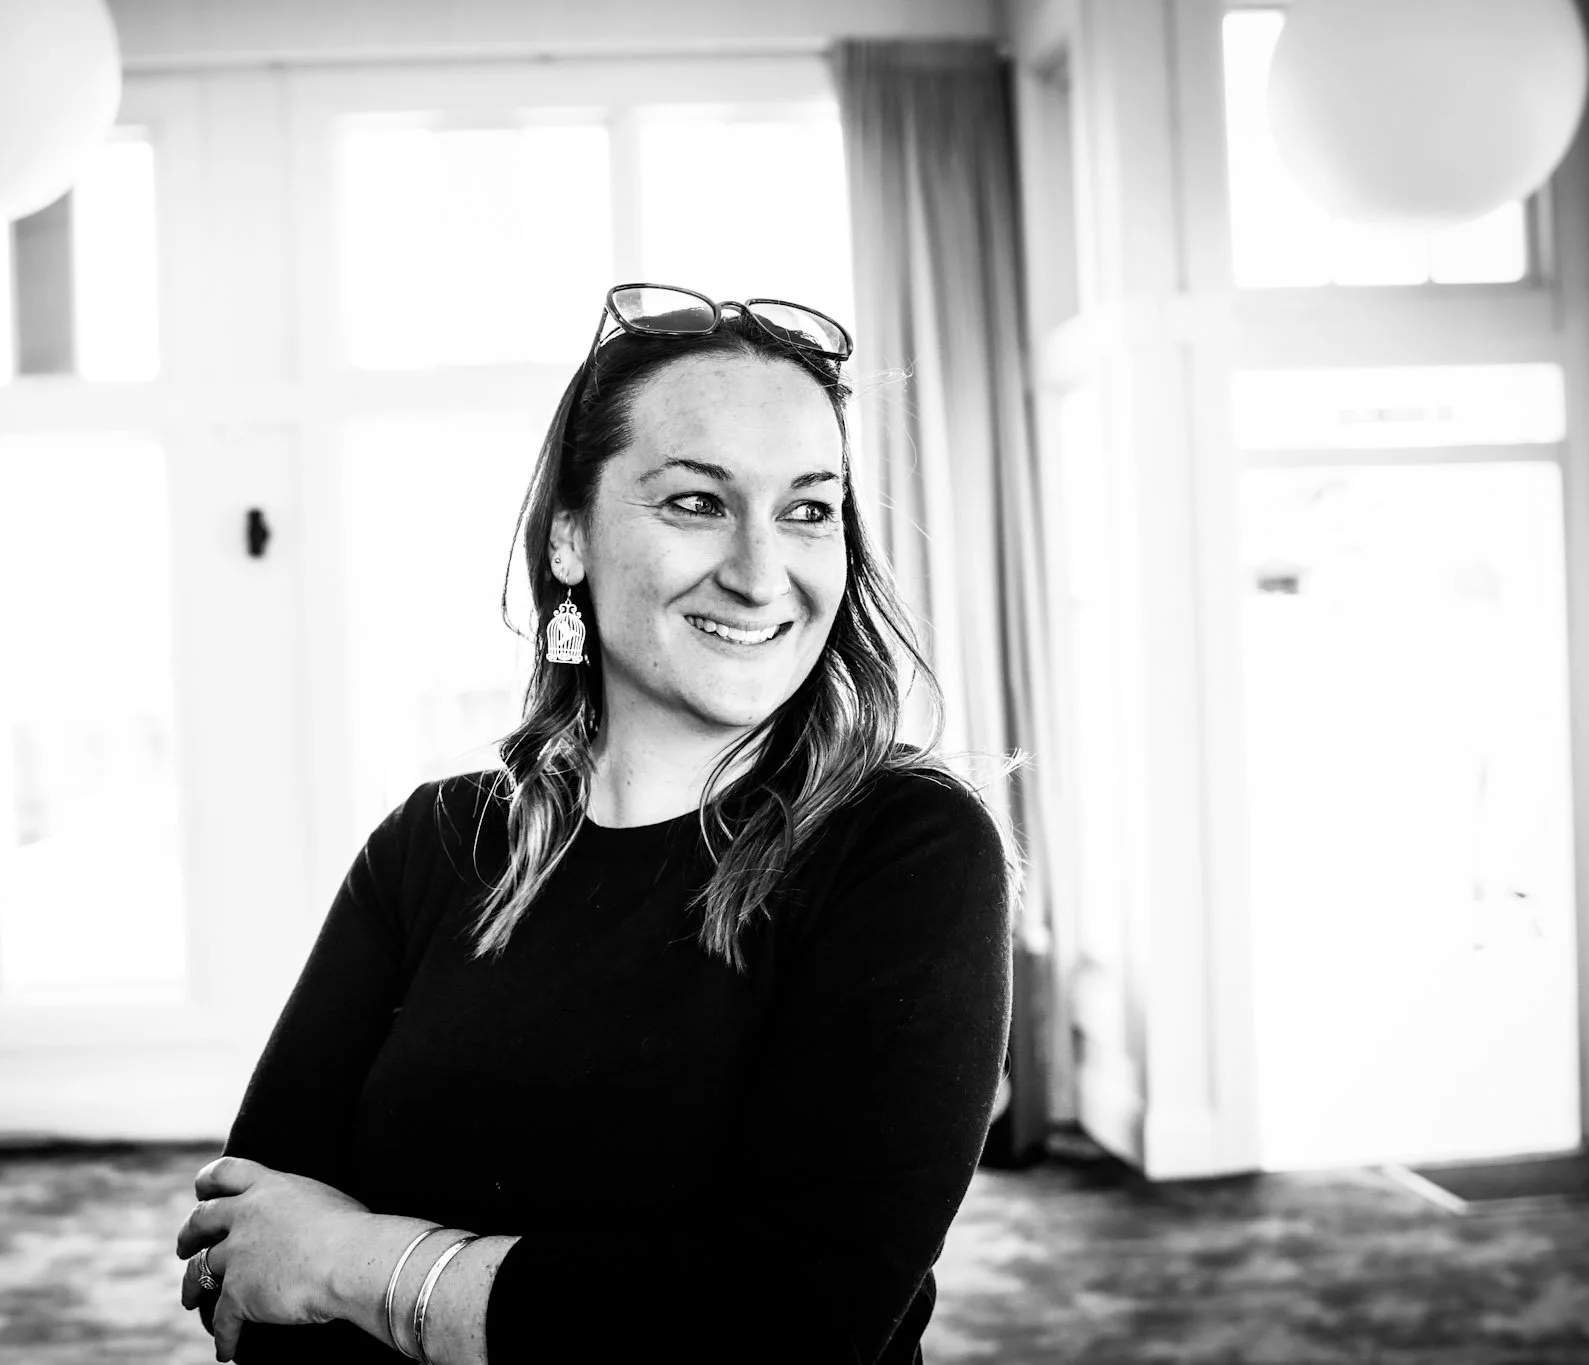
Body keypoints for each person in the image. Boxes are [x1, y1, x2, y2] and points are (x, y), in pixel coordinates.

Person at [174, 282, 1021, 1364]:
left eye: (808, 509)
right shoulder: (433, 843)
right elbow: (246, 1256)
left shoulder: (906, 846)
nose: (763, 574)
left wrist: (358, 1263)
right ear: (569, 536)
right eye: (694, 503)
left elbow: (791, 1323)